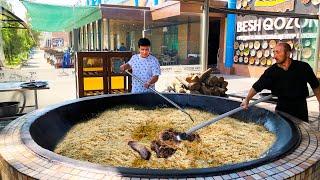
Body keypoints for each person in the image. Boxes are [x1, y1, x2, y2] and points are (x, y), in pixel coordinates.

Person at [240, 42, 320, 122]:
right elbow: (257, 86)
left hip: (300, 111)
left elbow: (315, 86)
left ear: (288, 54)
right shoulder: (271, 71)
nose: (274, 56)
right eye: (274, 52)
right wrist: (247, 99)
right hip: (282, 110)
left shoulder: (303, 67)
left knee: (301, 133)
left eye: (277, 52)